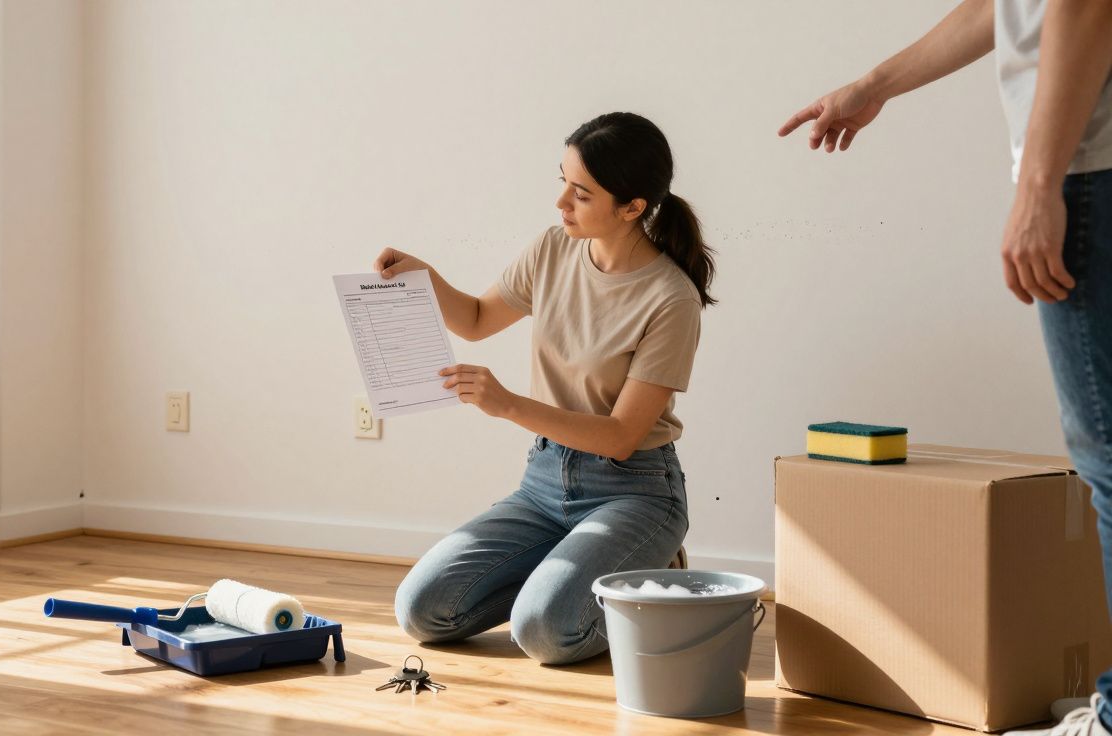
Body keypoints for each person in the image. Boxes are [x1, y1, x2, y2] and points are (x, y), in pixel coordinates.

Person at [779, 1, 1112, 733]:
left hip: (1094, 165)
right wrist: (873, 85)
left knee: (1108, 451)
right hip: (1090, 165)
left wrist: (1038, 186)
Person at [380, 111, 714, 665]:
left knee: (546, 632)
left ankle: (651, 569)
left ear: (632, 208)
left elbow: (621, 437)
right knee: (422, 611)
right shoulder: (552, 250)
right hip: (543, 482)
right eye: (562, 181)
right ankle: (573, 573)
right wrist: (423, 276)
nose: (561, 202)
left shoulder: (670, 300)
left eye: (581, 194)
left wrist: (509, 404)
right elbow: (478, 319)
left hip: (632, 491)